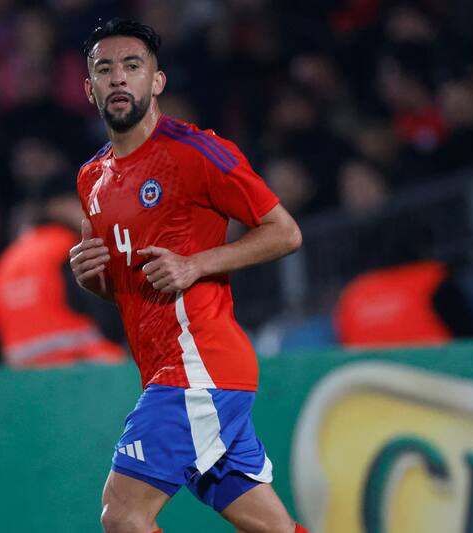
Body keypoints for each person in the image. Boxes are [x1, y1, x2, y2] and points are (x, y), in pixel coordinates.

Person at [68, 19, 307, 533]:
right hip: (171, 372)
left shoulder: (196, 151)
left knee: (123, 515)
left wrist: (196, 263)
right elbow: (133, 290)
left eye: (132, 66)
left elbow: (285, 232)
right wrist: (95, 283)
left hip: (199, 368)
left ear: (156, 81)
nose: (118, 78)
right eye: (104, 69)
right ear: (89, 88)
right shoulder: (91, 178)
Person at [0, 174, 126, 367]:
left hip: (25, 376)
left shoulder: (7, 260)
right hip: (87, 368)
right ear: (60, 205)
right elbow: (105, 315)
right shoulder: (71, 249)